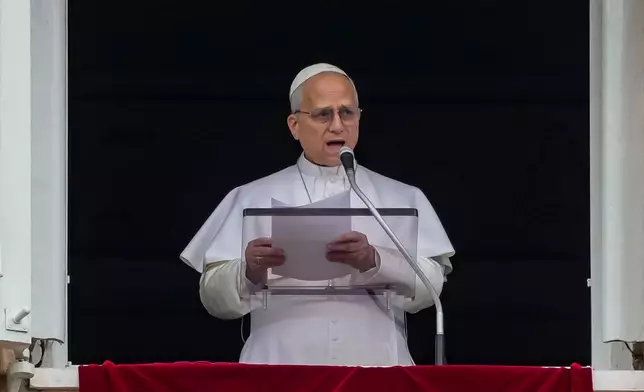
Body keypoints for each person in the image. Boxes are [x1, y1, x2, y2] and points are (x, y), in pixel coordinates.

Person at [180, 63, 454, 366]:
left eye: (347, 113)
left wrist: (375, 261)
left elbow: (432, 288)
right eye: (324, 114)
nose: (338, 125)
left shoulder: (402, 197)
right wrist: (249, 271)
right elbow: (212, 298)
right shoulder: (250, 197)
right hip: (278, 368)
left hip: (377, 366)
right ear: (294, 125)